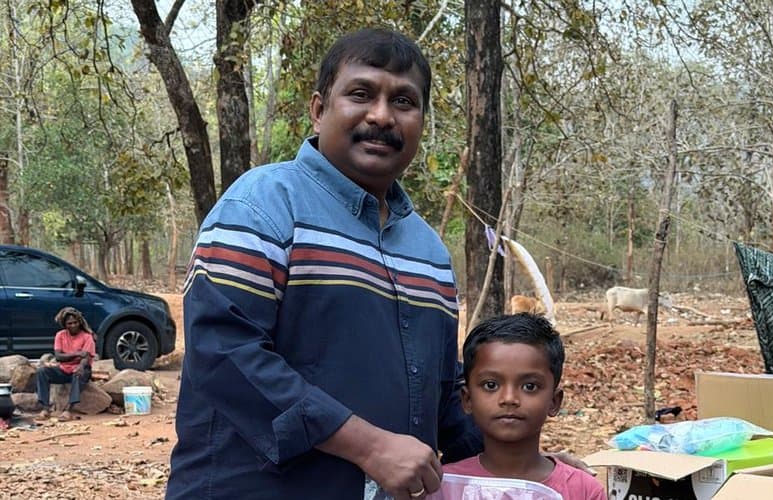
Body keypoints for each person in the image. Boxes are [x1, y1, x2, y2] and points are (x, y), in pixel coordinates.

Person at [166, 28, 483, 499]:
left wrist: (525, 460)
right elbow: (225, 355)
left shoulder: (428, 251)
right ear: (318, 110)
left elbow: (441, 396)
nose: (381, 115)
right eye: (361, 94)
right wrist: (371, 446)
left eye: (403, 101)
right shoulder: (262, 205)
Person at [443, 313, 606, 500]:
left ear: (554, 401)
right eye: (491, 385)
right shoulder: (444, 487)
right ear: (467, 399)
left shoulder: (582, 490)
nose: (509, 398)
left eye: (529, 386)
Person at [36, 307, 95, 422]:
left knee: (78, 374)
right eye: (69, 323)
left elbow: (86, 357)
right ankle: (45, 408)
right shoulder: (60, 335)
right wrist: (77, 353)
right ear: (65, 325)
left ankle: (68, 410)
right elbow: (58, 356)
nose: (73, 325)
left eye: (75, 322)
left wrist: (80, 366)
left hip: (81, 369)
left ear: (79, 322)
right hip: (64, 369)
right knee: (42, 372)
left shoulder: (87, 337)